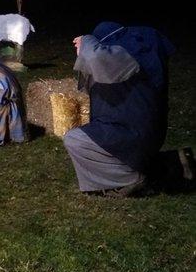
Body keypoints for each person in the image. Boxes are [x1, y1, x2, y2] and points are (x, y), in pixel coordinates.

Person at [63, 22, 175, 196]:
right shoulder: (136, 57)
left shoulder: (124, 58)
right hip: (143, 130)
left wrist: (86, 42)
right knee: (89, 136)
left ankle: (132, 178)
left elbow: (95, 58)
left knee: (75, 139)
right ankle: (146, 167)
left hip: (134, 133)